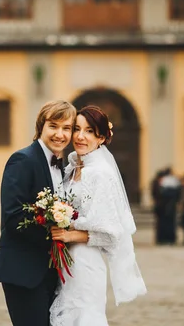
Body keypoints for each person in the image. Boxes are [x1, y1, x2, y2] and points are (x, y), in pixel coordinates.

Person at [49, 105, 147, 325]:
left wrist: (69, 236)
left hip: (85, 262)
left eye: (90, 131)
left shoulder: (100, 174)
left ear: (101, 138)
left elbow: (111, 234)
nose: (81, 137)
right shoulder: (72, 169)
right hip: (66, 261)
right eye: (77, 129)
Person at [0, 100, 77, 326]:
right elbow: (13, 216)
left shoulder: (62, 166)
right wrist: (54, 233)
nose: (60, 134)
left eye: (67, 128)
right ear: (41, 127)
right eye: (54, 126)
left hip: (52, 271)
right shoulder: (23, 160)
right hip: (24, 271)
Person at [157, 167, 182, 245]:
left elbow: (160, 193)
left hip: (164, 206)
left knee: (165, 223)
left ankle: (164, 239)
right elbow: (178, 194)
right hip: (171, 205)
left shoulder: (164, 181)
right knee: (171, 223)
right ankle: (171, 239)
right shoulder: (175, 181)